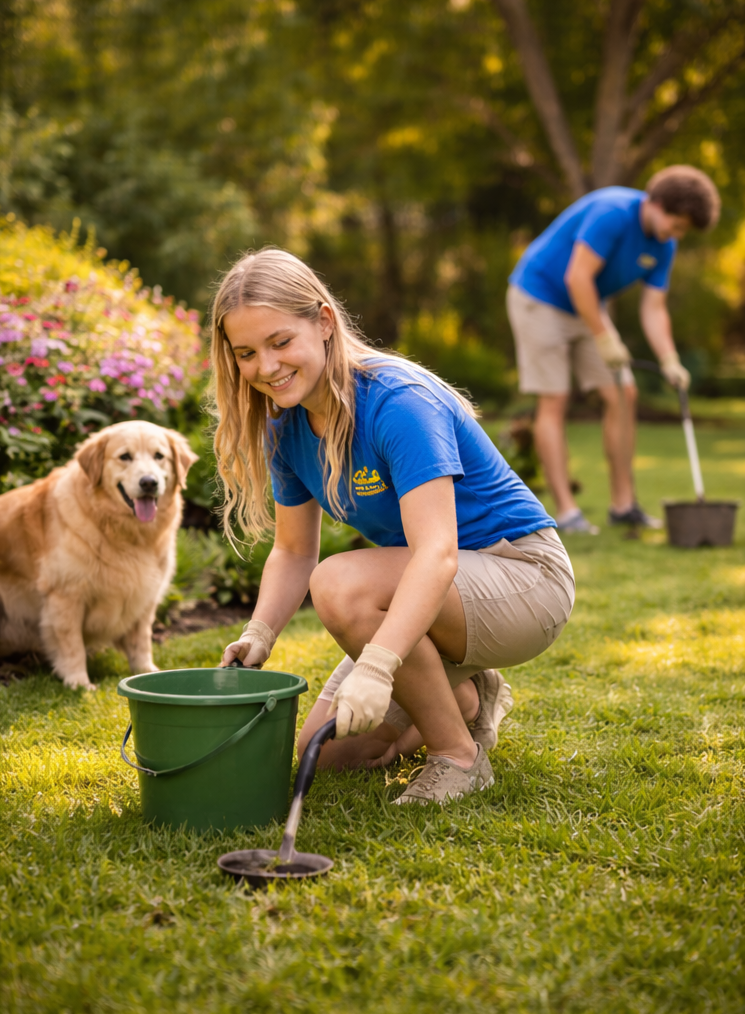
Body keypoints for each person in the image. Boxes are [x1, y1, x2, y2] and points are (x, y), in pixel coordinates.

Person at [212, 248, 575, 805]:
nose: (266, 366)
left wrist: (379, 666)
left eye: (280, 342)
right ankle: (470, 696)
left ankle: (458, 757)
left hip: (523, 578)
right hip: (438, 594)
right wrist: (259, 633)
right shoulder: (286, 427)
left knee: (340, 584)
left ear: (324, 323)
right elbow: (293, 551)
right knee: (327, 755)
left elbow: (437, 553)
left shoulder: (397, 402)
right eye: (246, 353)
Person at [507, 165, 720, 534]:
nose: (677, 234)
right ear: (657, 204)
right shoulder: (613, 212)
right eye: (676, 224)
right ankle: (567, 512)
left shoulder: (664, 245)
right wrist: (605, 338)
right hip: (539, 297)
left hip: (586, 304)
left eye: (683, 230)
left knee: (623, 393)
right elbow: (577, 277)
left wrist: (669, 358)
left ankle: (623, 505)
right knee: (555, 399)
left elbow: (654, 308)